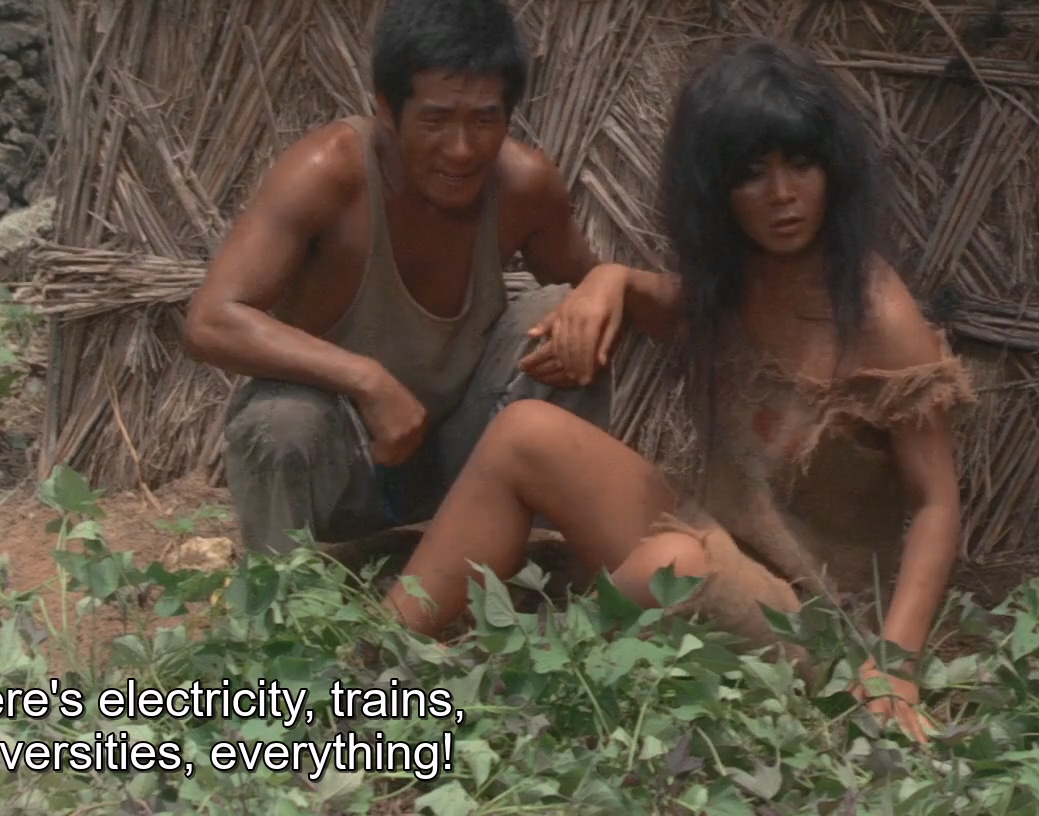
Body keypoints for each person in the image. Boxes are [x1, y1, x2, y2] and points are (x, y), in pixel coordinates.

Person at [381, 37, 973, 743]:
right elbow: (660, 299)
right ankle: (375, 661)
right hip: (708, 537)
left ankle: (517, 689)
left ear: (833, 170)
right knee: (523, 433)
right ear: (716, 190)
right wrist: (608, 281)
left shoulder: (876, 312)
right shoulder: (739, 280)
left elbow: (936, 503)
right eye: (751, 174)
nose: (782, 196)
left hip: (812, 617)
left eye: (801, 164)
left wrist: (893, 666)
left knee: (673, 567)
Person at [185, 0, 631, 558]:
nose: (462, 149)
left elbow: (603, 300)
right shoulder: (327, 173)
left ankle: (527, 560)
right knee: (281, 423)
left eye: (484, 120)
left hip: (468, 464)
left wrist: (609, 280)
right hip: (348, 466)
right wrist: (367, 380)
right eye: (435, 120)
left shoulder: (524, 185)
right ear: (386, 109)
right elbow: (211, 321)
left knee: (565, 321)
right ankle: (285, 591)